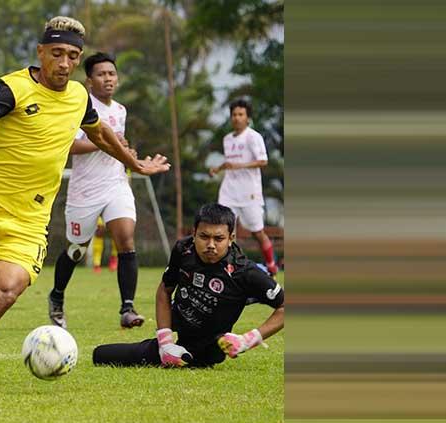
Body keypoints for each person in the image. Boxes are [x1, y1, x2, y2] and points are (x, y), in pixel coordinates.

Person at [0, 16, 170, 391]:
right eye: (56, 53)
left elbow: (102, 134)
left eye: (72, 56)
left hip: (28, 224)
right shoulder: (12, 88)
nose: (64, 63)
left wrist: (134, 163)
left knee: (5, 291)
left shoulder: (79, 97)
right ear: (41, 52)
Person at [92, 203, 283, 368]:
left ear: (231, 238)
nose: (210, 245)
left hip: (209, 345)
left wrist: (247, 340)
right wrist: (165, 343)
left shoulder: (245, 272)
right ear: (193, 234)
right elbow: (165, 290)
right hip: (179, 320)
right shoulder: (183, 250)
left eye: (219, 239)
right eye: (204, 236)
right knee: (100, 355)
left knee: (200, 357)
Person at [48, 52, 145, 330]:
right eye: (101, 74)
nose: (108, 79)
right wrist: (105, 142)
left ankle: (127, 309)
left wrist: (126, 152)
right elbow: (70, 147)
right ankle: (56, 297)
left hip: (116, 184)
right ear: (89, 80)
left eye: (112, 74)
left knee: (126, 239)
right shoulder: (80, 106)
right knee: (76, 251)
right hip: (85, 190)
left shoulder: (120, 111)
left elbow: (118, 149)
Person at [210, 99, 278, 275]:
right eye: (234, 114)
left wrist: (240, 166)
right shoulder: (227, 139)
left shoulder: (253, 137)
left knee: (257, 232)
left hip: (249, 193)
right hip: (229, 191)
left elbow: (263, 161)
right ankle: (227, 266)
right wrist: (217, 169)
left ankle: (271, 265)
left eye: (241, 114)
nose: (237, 118)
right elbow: (230, 162)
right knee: (223, 228)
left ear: (247, 118)